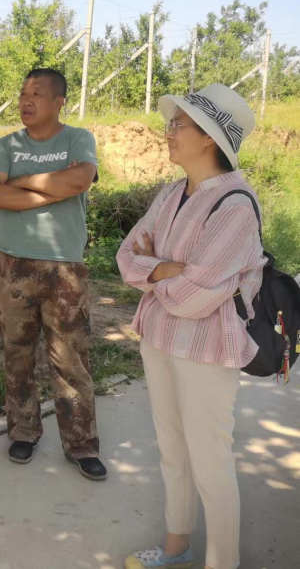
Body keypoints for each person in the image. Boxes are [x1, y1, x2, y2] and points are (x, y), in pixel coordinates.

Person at [117, 85, 266, 569]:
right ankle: (176, 548)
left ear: (209, 137)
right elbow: (125, 257)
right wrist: (166, 269)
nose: (168, 132)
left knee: (210, 463)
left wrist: (154, 272)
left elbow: (194, 297)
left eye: (178, 124)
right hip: (159, 339)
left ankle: (223, 563)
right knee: (172, 451)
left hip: (206, 351)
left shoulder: (236, 206)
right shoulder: (171, 193)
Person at [0, 68, 107, 480]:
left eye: (36, 93)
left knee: (70, 359)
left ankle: (81, 444)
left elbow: (81, 178)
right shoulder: (7, 144)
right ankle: (23, 432)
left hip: (64, 266)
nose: (25, 100)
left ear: (58, 102)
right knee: (17, 354)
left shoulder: (77, 139)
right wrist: (53, 190)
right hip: (12, 265)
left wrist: (22, 184)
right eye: (23, 93)